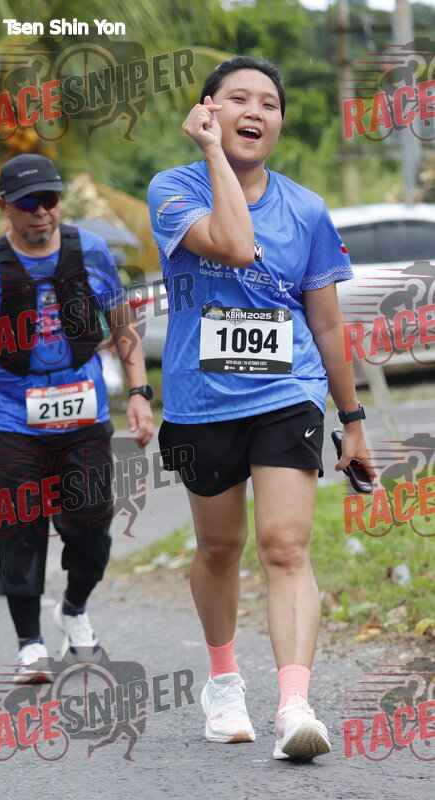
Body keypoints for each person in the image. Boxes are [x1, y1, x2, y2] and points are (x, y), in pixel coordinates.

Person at [148, 56, 373, 760]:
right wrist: (212, 152)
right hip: (201, 398)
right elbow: (236, 244)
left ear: (278, 122)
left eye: (269, 103)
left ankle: (294, 706)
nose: (255, 111)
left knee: (285, 545)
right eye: (238, 98)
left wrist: (353, 420)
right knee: (219, 547)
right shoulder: (172, 189)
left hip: (286, 392)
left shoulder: (305, 208)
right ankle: (223, 683)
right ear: (207, 110)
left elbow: (327, 324)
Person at [0, 154, 153, 682]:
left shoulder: (91, 252)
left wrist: (138, 393)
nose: (41, 212)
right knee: (20, 528)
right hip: (15, 422)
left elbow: (122, 322)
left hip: (83, 416)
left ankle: (74, 607)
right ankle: (29, 645)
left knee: (92, 527)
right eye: (28, 203)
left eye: (50, 199)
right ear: (4, 207)